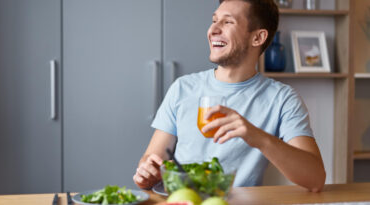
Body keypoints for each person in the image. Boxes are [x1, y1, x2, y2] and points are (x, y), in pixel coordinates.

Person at [133, 0, 326, 192]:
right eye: (214, 20)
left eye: (227, 22)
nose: (213, 29)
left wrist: (256, 136)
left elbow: (315, 179)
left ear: (258, 38)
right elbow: (152, 158)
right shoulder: (182, 88)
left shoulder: (283, 99)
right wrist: (146, 174)